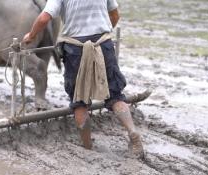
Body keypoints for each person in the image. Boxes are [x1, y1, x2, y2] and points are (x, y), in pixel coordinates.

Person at [22, 0, 145, 159]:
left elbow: (44, 18)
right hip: (103, 44)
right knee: (115, 95)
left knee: (79, 101)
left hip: (75, 49)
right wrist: (104, 34)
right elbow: (115, 15)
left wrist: (31, 36)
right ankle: (133, 133)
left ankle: (87, 147)